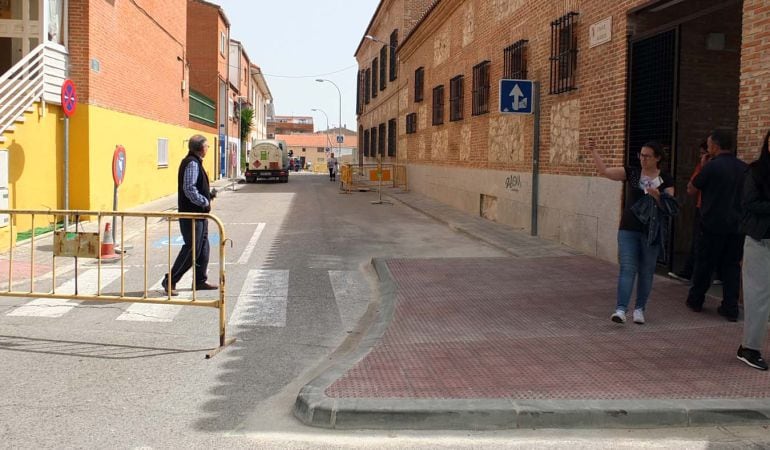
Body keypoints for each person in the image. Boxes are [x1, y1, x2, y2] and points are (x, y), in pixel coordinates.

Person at [590, 139, 675, 324]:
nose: (643, 159)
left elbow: (670, 206)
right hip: (628, 229)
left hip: (651, 232)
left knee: (646, 271)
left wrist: (658, 196)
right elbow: (605, 172)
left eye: (647, 156)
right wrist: (594, 152)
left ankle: (639, 309)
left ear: (657, 158)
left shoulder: (665, 178)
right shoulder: (632, 173)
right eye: (641, 155)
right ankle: (620, 309)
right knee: (627, 268)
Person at [685, 129, 747, 321]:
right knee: (731, 267)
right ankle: (730, 308)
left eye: (710, 144)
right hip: (737, 226)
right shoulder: (744, 168)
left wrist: (702, 167)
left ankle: (696, 300)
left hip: (712, 224)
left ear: (716, 146)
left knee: (705, 264)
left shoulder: (712, 167)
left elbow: (691, 190)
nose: (708, 147)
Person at [161, 135, 218, 296]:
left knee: (203, 248)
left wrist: (208, 195)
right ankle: (170, 280)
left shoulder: (196, 162)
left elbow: (195, 187)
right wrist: (204, 202)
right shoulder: (192, 163)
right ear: (200, 148)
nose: (208, 148)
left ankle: (200, 280)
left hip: (199, 215)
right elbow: (189, 189)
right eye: (207, 146)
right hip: (191, 215)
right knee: (192, 249)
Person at [737, 130, 770, 370]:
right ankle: (750, 348)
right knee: (758, 296)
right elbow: (749, 203)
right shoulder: (756, 170)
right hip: (761, 241)